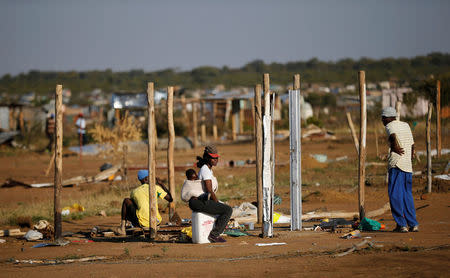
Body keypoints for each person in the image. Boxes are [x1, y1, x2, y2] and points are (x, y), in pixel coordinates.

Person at [382, 107, 419, 233]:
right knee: (407, 195)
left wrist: (394, 147)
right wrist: (410, 155)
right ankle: (413, 224)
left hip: (397, 164)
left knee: (395, 195)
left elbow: (392, 136)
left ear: (388, 118)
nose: (383, 121)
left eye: (383, 118)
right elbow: (413, 144)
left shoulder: (390, 126)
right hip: (407, 165)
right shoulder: (406, 125)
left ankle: (401, 225)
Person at [189, 144, 232, 243]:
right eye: (213, 158)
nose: (215, 160)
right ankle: (214, 235)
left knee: (223, 207)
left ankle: (214, 231)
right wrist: (217, 202)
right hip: (200, 201)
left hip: (200, 200)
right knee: (227, 210)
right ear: (207, 158)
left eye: (216, 158)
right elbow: (209, 190)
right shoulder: (205, 170)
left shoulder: (207, 169)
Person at [115, 170, 173, 235]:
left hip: (142, 223)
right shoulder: (156, 188)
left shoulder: (134, 192)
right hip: (156, 221)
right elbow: (170, 199)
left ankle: (122, 227)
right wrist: (161, 184)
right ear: (146, 179)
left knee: (127, 201)